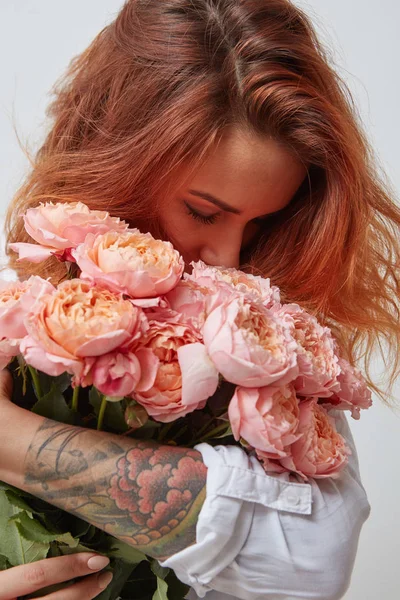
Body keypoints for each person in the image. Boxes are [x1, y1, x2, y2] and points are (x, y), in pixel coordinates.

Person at [1, 0, 399, 599]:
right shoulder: (17, 304)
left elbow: (313, 558)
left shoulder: (260, 340)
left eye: (263, 223)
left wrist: (10, 440)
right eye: (204, 212)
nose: (231, 259)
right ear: (120, 159)